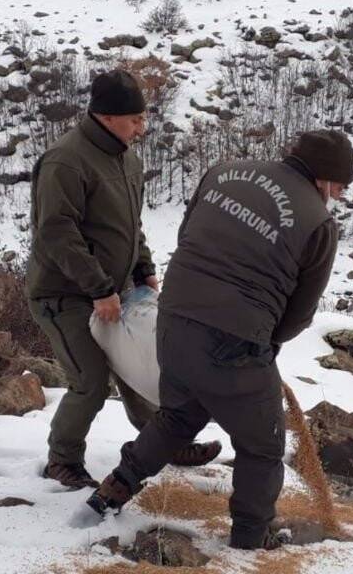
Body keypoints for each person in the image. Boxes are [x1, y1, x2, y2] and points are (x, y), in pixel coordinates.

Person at [86, 130, 353, 550]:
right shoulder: (318, 223)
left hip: (174, 317)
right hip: (237, 338)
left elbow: (187, 235)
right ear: (324, 177)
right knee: (263, 446)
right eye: (340, 186)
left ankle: (115, 488)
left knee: (178, 416)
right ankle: (250, 538)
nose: (338, 195)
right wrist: (264, 343)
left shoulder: (224, 172)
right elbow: (301, 310)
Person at [27, 70, 222, 490]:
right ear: (107, 116)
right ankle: (62, 460)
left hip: (115, 290)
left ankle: (164, 443)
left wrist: (144, 269)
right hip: (64, 294)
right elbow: (57, 233)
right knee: (90, 381)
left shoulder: (126, 157)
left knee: (144, 366)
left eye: (142, 118)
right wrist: (98, 289)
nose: (142, 127)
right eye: (135, 119)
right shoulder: (66, 161)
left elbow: (129, 225)